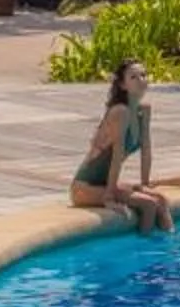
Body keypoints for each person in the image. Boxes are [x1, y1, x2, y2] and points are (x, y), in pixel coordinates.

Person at [71, 60, 174, 233]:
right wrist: (109, 197)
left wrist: (145, 184)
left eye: (143, 75)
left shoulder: (143, 110)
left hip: (105, 184)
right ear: (122, 85)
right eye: (133, 77)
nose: (141, 80)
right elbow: (116, 157)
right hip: (84, 187)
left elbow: (146, 151)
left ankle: (170, 246)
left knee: (161, 200)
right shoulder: (120, 112)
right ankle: (145, 252)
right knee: (148, 205)